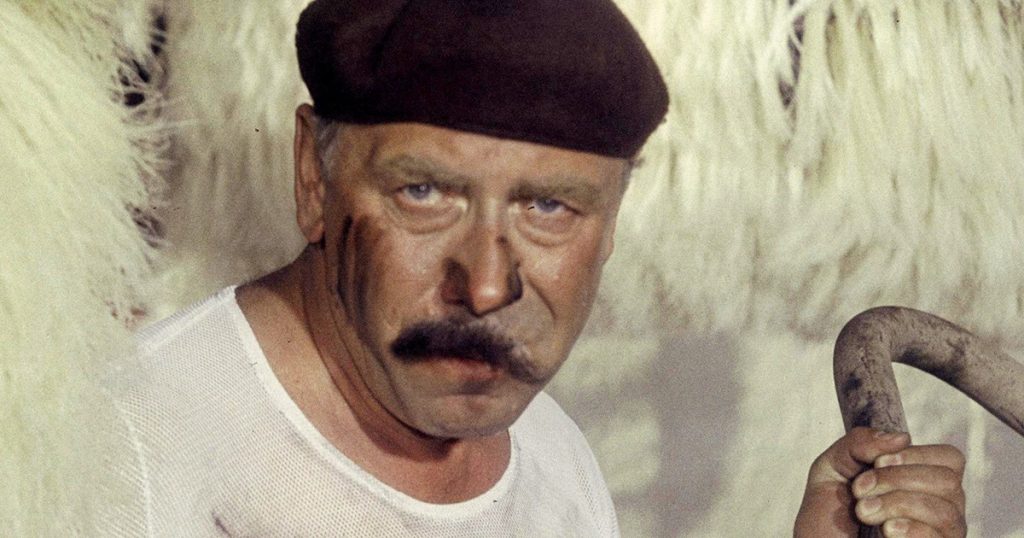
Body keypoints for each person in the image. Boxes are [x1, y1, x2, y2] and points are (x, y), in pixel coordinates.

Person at [102, 0, 966, 536]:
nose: (486, 287)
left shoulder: (548, 453)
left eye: (549, 207)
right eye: (425, 193)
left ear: (611, 222)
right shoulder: (135, 448)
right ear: (313, 178)